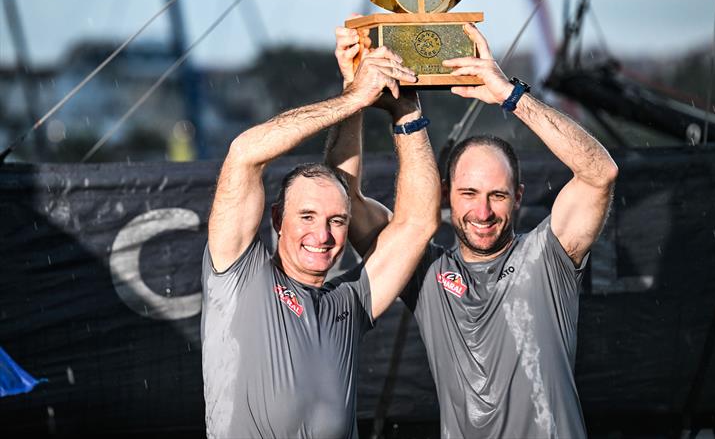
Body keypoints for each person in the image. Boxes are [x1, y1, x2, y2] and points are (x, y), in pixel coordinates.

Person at [328, 22, 618, 438]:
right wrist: (352, 93)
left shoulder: (548, 256)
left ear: (518, 196)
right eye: (469, 193)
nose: (482, 211)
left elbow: (599, 173)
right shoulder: (423, 271)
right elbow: (346, 201)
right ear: (446, 194)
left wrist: (509, 94)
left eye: (497, 195)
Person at [201, 45, 440, 439]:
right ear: (277, 219)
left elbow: (417, 224)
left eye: (337, 221)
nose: (322, 235)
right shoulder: (240, 276)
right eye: (307, 217)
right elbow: (244, 154)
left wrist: (407, 113)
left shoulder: (351, 300)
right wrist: (353, 98)